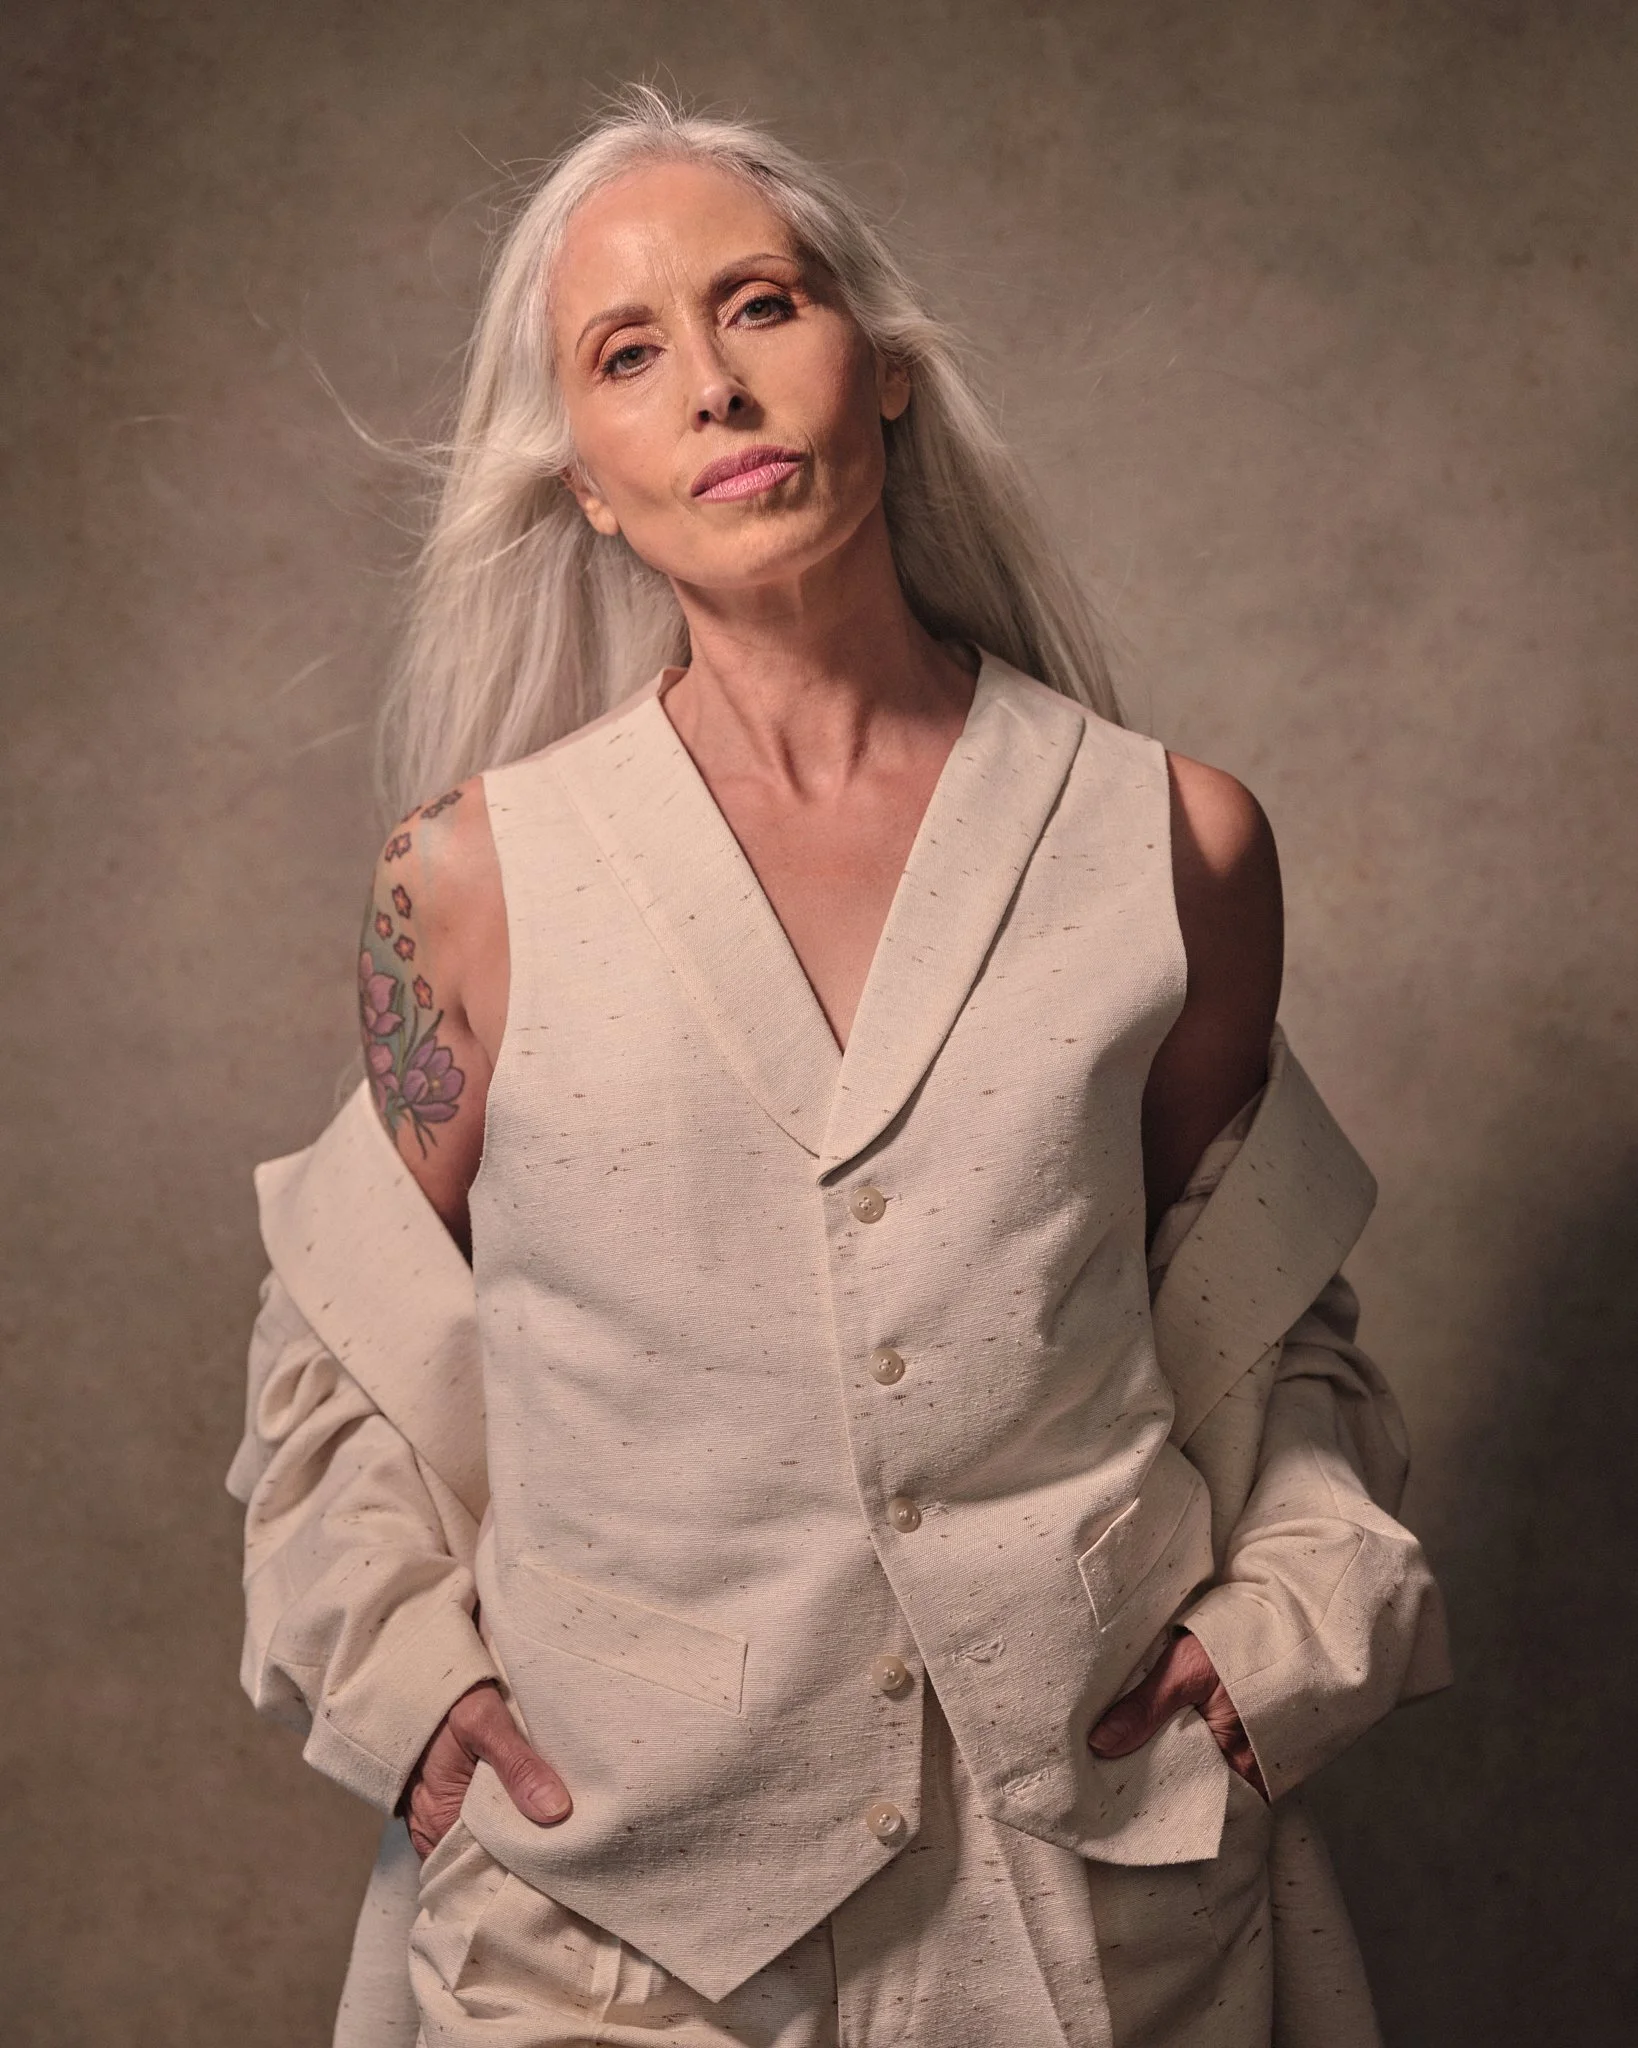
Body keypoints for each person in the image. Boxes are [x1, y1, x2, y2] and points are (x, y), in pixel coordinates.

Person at [229, 86, 1450, 2048]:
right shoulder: (464, 885)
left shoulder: (1174, 844)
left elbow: (1265, 1329)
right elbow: (346, 1344)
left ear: (878, 374)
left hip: (1082, 1918)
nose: (712, 384)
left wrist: (1285, 1616)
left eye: (761, 307)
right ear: (586, 482)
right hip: (607, 1934)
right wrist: (404, 1670)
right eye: (627, 355)